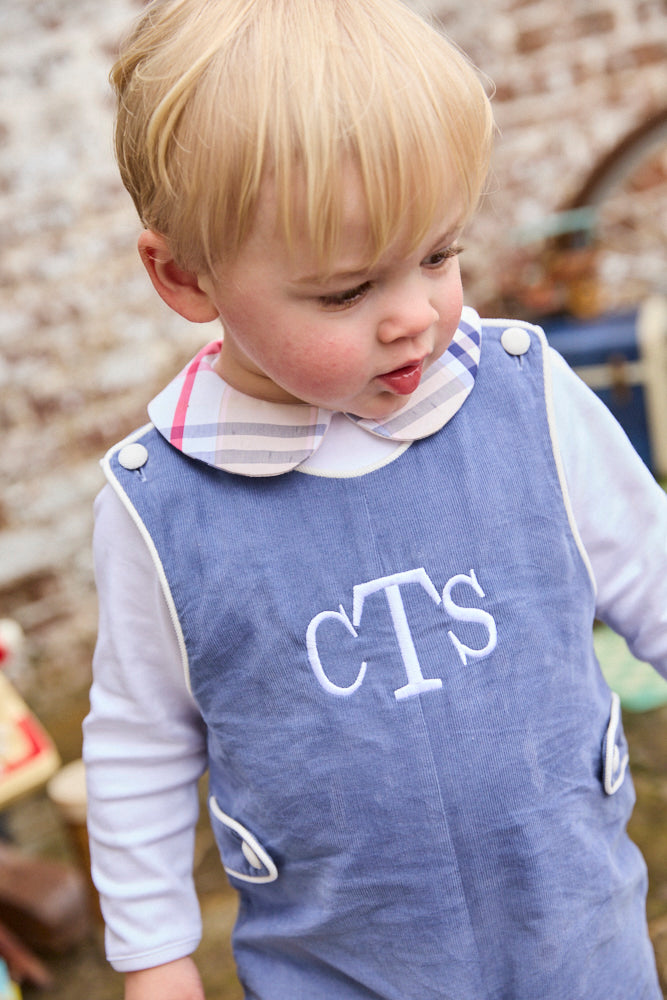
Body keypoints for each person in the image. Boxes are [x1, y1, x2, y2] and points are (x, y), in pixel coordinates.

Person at [82, 1, 667, 998]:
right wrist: (156, 956)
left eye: (438, 255)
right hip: (344, 971)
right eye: (346, 291)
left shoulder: (524, 399)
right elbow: (139, 744)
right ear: (184, 275)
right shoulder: (163, 507)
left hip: (579, 942)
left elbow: (655, 577)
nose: (413, 317)